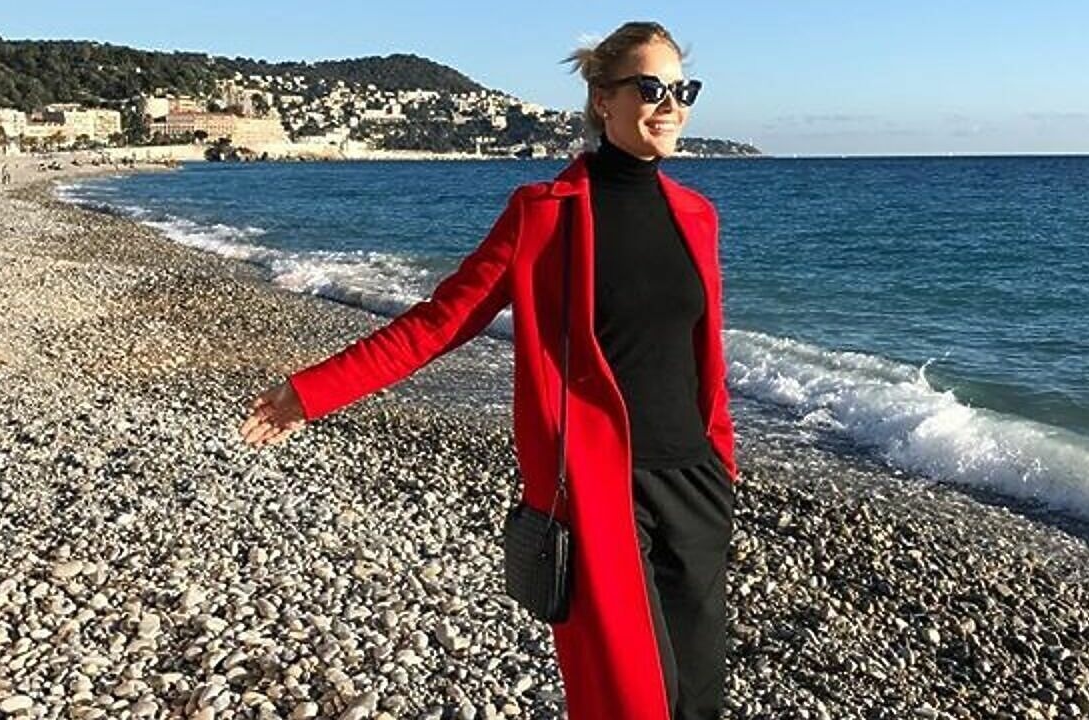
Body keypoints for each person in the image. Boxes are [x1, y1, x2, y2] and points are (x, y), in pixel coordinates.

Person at [238, 20, 738, 720]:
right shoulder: (543, 215)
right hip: (600, 490)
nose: (670, 105)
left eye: (683, 90)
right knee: (632, 700)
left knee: (698, 703)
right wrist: (313, 391)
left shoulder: (697, 216)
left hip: (696, 486)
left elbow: (700, 357)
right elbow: (439, 322)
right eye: (651, 88)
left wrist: (721, 462)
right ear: (603, 99)